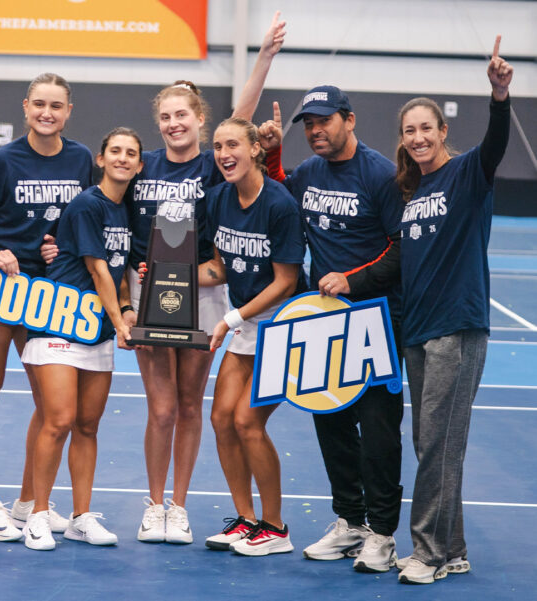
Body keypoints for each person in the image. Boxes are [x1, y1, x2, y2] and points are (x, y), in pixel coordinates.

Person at [129, 12, 286, 545]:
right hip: (150, 295)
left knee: (192, 404)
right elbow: (103, 213)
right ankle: (154, 506)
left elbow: (241, 118)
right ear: (160, 124)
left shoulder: (210, 166)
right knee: (162, 407)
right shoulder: (142, 166)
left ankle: (181, 504)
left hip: (205, 294)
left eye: (183, 115)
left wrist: (263, 56)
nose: (175, 123)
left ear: (199, 119)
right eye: (167, 117)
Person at [256, 86, 405, 572]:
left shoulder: (381, 174)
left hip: (376, 321)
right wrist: (274, 150)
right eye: (308, 124)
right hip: (324, 321)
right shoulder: (310, 172)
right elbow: (279, 189)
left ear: (349, 119)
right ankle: (350, 521)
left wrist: (353, 279)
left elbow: (403, 249)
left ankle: (382, 534)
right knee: (331, 421)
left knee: (379, 429)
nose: (315, 130)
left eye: (323, 121)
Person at [393, 37, 512, 585]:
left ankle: (429, 552)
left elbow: (495, 145)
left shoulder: (467, 173)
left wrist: (499, 96)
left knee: (439, 442)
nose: (418, 137)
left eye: (427, 128)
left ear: (443, 133)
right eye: (409, 130)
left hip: (456, 330)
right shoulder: (413, 191)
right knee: (430, 443)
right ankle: (454, 547)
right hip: (417, 331)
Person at [0, 73, 93, 538]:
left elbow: (87, 219)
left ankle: (29, 500)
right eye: (39, 104)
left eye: (56, 105)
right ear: (25, 107)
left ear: (68, 111)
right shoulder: (1, 161)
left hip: (51, 293)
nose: (47, 112)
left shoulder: (81, 160)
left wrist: (67, 247)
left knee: (51, 404)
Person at [19, 127, 140, 550]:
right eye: (115, 151)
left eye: (131, 153)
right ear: (101, 160)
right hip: (57, 325)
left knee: (87, 425)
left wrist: (124, 310)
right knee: (58, 419)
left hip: (97, 332)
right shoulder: (88, 204)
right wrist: (121, 322)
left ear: (139, 165)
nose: (123, 158)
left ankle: (80, 517)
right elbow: (97, 268)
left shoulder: (128, 211)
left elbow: (121, 270)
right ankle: (36, 514)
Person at [201, 117, 304, 557]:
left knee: (247, 420)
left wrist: (230, 318)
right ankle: (245, 520)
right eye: (218, 146)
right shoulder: (219, 199)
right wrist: (171, 281)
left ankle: (275, 528)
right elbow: (221, 267)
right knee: (221, 417)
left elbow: (285, 280)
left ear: (254, 150)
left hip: (280, 322)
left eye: (233, 145)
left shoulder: (279, 204)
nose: (225, 154)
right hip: (245, 320)